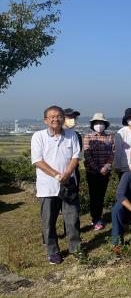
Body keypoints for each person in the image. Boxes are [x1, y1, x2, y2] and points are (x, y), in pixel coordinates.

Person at [31, 105, 81, 264]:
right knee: (48, 222)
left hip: (68, 184)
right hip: (47, 187)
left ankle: (76, 248)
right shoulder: (38, 136)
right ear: (46, 120)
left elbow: (76, 156)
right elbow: (38, 161)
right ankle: (53, 251)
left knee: (72, 219)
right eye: (52, 116)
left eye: (59, 116)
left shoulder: (72, 135)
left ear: (63, 118)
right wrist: (57, 175)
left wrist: (66, 174)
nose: (56, 119)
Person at [83, 113, 115, 231]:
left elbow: (112, 153)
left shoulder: (110, 137)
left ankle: (99, 216)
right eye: (96, 123)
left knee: (101, 195)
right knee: (93, 195)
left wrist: (106, 167)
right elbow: (87, 155)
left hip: (105, 172)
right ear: (92, 125)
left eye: (101, 123)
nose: (99, 125)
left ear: (105, 125)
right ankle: (95, 218)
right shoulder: (88, 137)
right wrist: (98, 169)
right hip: (92, 172)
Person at [114, 108, 131, 179]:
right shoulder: (121, 132)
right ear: (126, 120)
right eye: (130, 118)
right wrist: (117, 166)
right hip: (124, 166)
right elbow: (118, 151)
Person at [63, 108, 82, 185]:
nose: (73, 120)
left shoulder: (77, 135)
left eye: (74, 118)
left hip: (74, 171)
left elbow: (76, 154)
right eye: (70, 117)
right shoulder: (55, 134)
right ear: (62, 118)